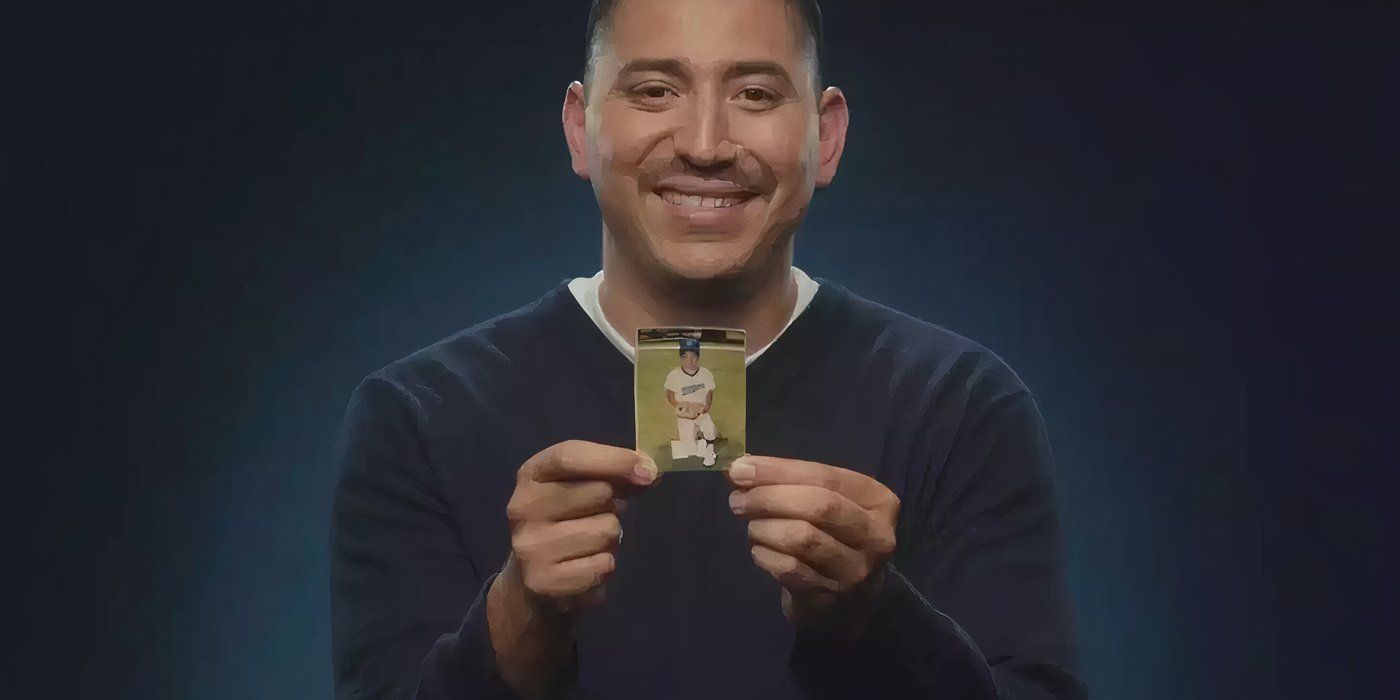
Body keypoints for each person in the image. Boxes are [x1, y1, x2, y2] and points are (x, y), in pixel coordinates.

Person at [330, 0, 1085, 697]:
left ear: (826, 137)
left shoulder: (960, 406)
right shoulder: (419, 417)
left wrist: (876, 618)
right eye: (655, 90)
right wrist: (521, 618)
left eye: (755, 94)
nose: (704, 145)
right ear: (578, 127)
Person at [664, 338, 718, 466]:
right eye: (685, 357)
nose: (689, 361)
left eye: (693, 356)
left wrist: (707, 406)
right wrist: (678, 406)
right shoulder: (674, 374)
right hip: (685, 413)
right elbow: (669, 393)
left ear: (698, 357)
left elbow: (710, 392)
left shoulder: (705, 373)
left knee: (710, 430)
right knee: (689, 450)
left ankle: (709, 446)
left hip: (700, 410)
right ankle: (701, 444)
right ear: (681, 358)